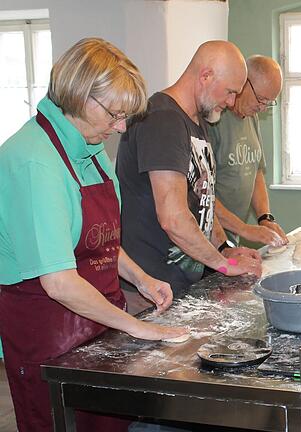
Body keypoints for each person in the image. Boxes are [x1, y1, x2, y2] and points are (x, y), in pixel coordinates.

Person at [0, 38, 187, 432]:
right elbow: (60, 281)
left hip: (99, 326)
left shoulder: (90, 147)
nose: (120, 128)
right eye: (116, 114)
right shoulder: (33, 161)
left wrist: (141, 278)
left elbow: (99, 240)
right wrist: (138, 327)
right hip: (49, 335)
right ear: (81, 95)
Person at [117, 40, 262, 296]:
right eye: (229, 92)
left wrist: (224, 248)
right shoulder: (162, 120)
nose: (231, 102)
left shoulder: (195, 120)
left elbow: (204, 200)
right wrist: (225, 266)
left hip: (183, 282)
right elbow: (173, 219)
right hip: (152, 289)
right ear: (205, 76)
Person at [208, 55, 288, 247]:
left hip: (232, 235)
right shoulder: (213, 119)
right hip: (209, 237)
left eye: (269, 103)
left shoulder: (251, 115)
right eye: (260, 99)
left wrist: (264, 217)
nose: (262, 108)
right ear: (243, 82)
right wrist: (244, 229)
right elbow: (200, 194)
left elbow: (256, 170)